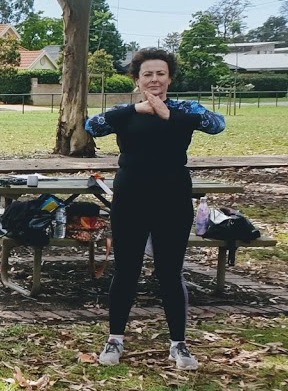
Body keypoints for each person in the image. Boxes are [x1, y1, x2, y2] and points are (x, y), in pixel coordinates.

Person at [85, 48, 225, 370]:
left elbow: (217, 124)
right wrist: (139, 108)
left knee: (169, 272)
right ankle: (115, 337)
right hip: (131, 201)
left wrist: (168, 115)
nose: (154, 79)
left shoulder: (184, 109)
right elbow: (92, 125)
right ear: (137, 79)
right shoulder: (126, 111)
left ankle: (179, 343)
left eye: (161, 73)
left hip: (173, 201)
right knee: (127, 270)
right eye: (147, 74)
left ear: (170, 78)